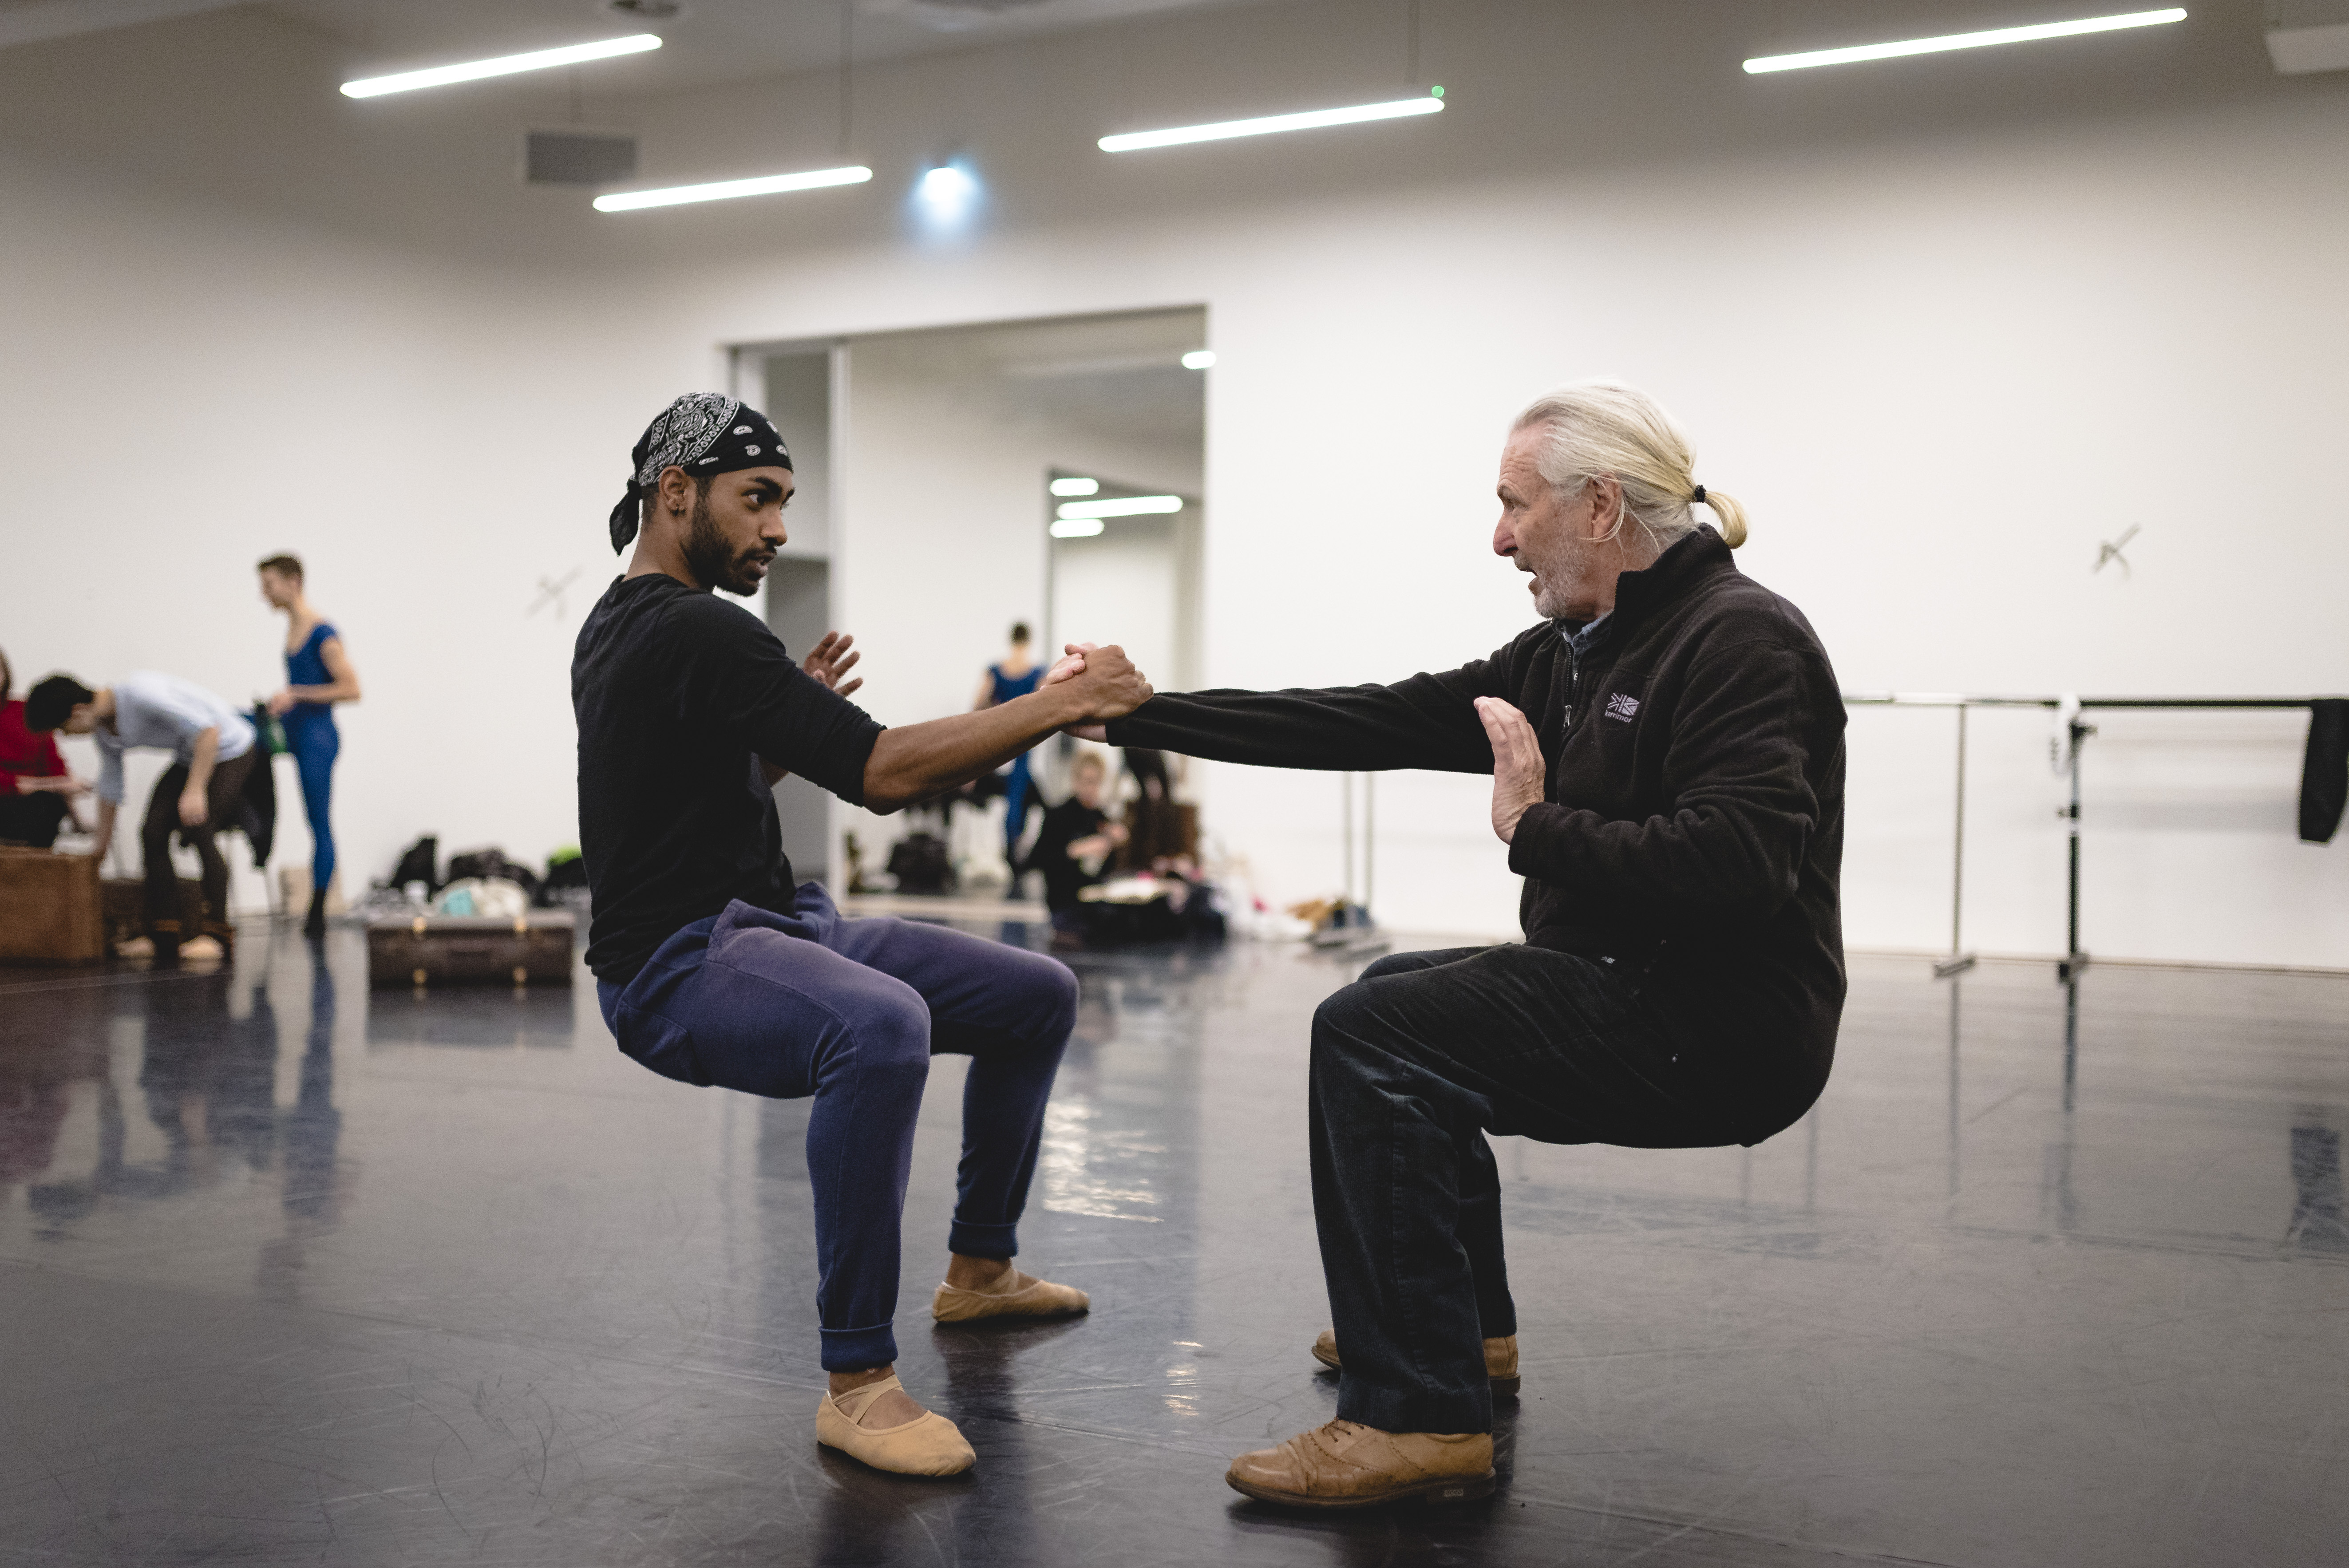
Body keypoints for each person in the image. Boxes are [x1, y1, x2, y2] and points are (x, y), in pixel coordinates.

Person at [1086, 381, 1847, 1509]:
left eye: (1514, 505)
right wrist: (1139, 715)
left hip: (1726, 1022)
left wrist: (1535, 825)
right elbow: (1371, 717)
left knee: (1373, 1029)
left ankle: (1418, 1416)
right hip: (1626, 984)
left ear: (1598, 507)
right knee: (1394, 991)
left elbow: (1740, 866)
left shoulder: (1742, 639)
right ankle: (1462, 1338)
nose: (1499, 537)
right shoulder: (1577, 648)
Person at [574, 393, 1153, 1479]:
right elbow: (883, 772)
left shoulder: (627, 625)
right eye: (759, 500)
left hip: (779, 921)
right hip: (677, 964)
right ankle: (858, 1384)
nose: (779, 528)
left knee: (1037, 993)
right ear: (676, 492)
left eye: (785, 503)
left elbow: (690, 787)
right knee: (880, 1025)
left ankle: (981, 1267)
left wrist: (778, 727)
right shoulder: (696, 624)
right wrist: (1058, 702)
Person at [27, 669, 264, 963]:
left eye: (63, 729)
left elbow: (209, 732)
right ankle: (162, 933)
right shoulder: (105, 733)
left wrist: (195, 789)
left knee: (200, 826)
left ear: (78, 712)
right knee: (152, 832)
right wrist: (99, 849)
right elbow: (111, 789)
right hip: (191, 755)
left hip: (231, 748)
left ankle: (217, 935)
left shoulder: (142, 696)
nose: (66, 736)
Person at [258, 554, 363, 939]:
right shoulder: (292, 629)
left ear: (293, 582)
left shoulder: (323, 633)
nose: (264, 593)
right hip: (296, 732)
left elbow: (352, 689)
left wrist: (295, 693)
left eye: (269, 585)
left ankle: (317, 910)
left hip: (318, 737)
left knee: (318, 822)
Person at [1024, 751, 1127, 921]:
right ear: (1076, 780)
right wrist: (1076, 850)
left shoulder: (1100, 818)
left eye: (1097, 782)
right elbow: (1036, 860)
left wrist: (1116, 844)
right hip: (1065, 904)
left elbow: (1106, 869)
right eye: (1088, 781)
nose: (1092, 788)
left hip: (1094, 900)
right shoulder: (1058, 815)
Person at [0, 647, 87, 849]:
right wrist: (55, 785)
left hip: (34, 804)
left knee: (49, 806)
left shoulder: (25, 711)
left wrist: (77, 819)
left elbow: (54, 765)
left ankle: (37, 869)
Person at [974, 623, 1043, 860]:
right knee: (1018, 796)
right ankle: (1013, 847)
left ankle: (1010, 848)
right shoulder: (1037, 674)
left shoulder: (995, 671)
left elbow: (977, 706)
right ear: (1029, 641)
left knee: (1015, 797)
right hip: (1022, 742)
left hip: (1000, 740)